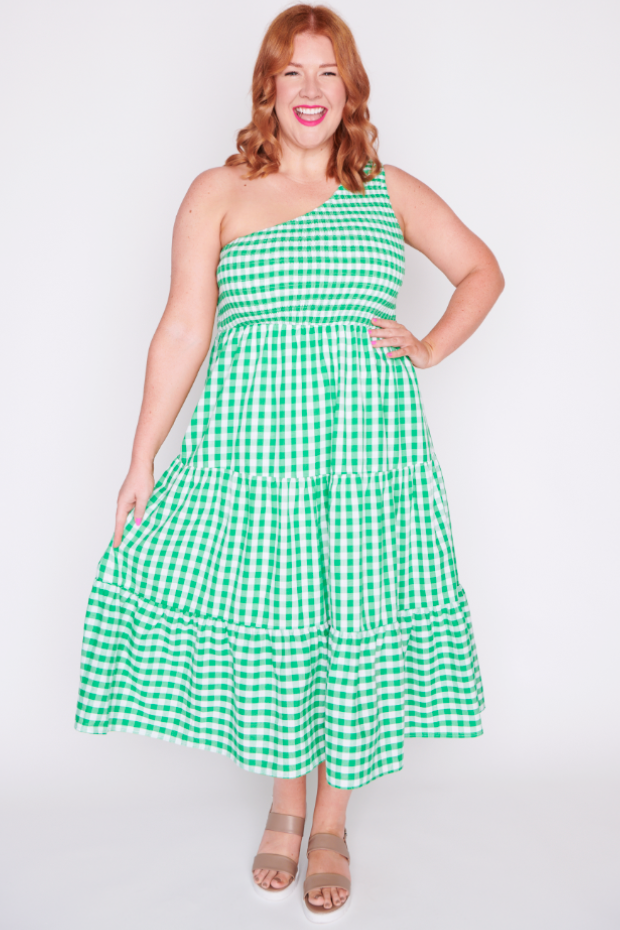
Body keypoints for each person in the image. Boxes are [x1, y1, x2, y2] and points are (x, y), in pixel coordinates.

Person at [74, 3, 504, 921]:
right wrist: (141, 458)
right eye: (292, 72)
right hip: (253, 454)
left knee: (351, 619)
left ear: (351, 90)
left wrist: (429, 346)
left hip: (366, 454)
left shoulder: (387, 190)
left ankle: (332, 822)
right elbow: (183, 327)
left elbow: (483, 271)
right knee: (280, 618)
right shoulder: (219, 191)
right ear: (266, 89)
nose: (311, 90)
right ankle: (286, 806)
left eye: (328, 72)